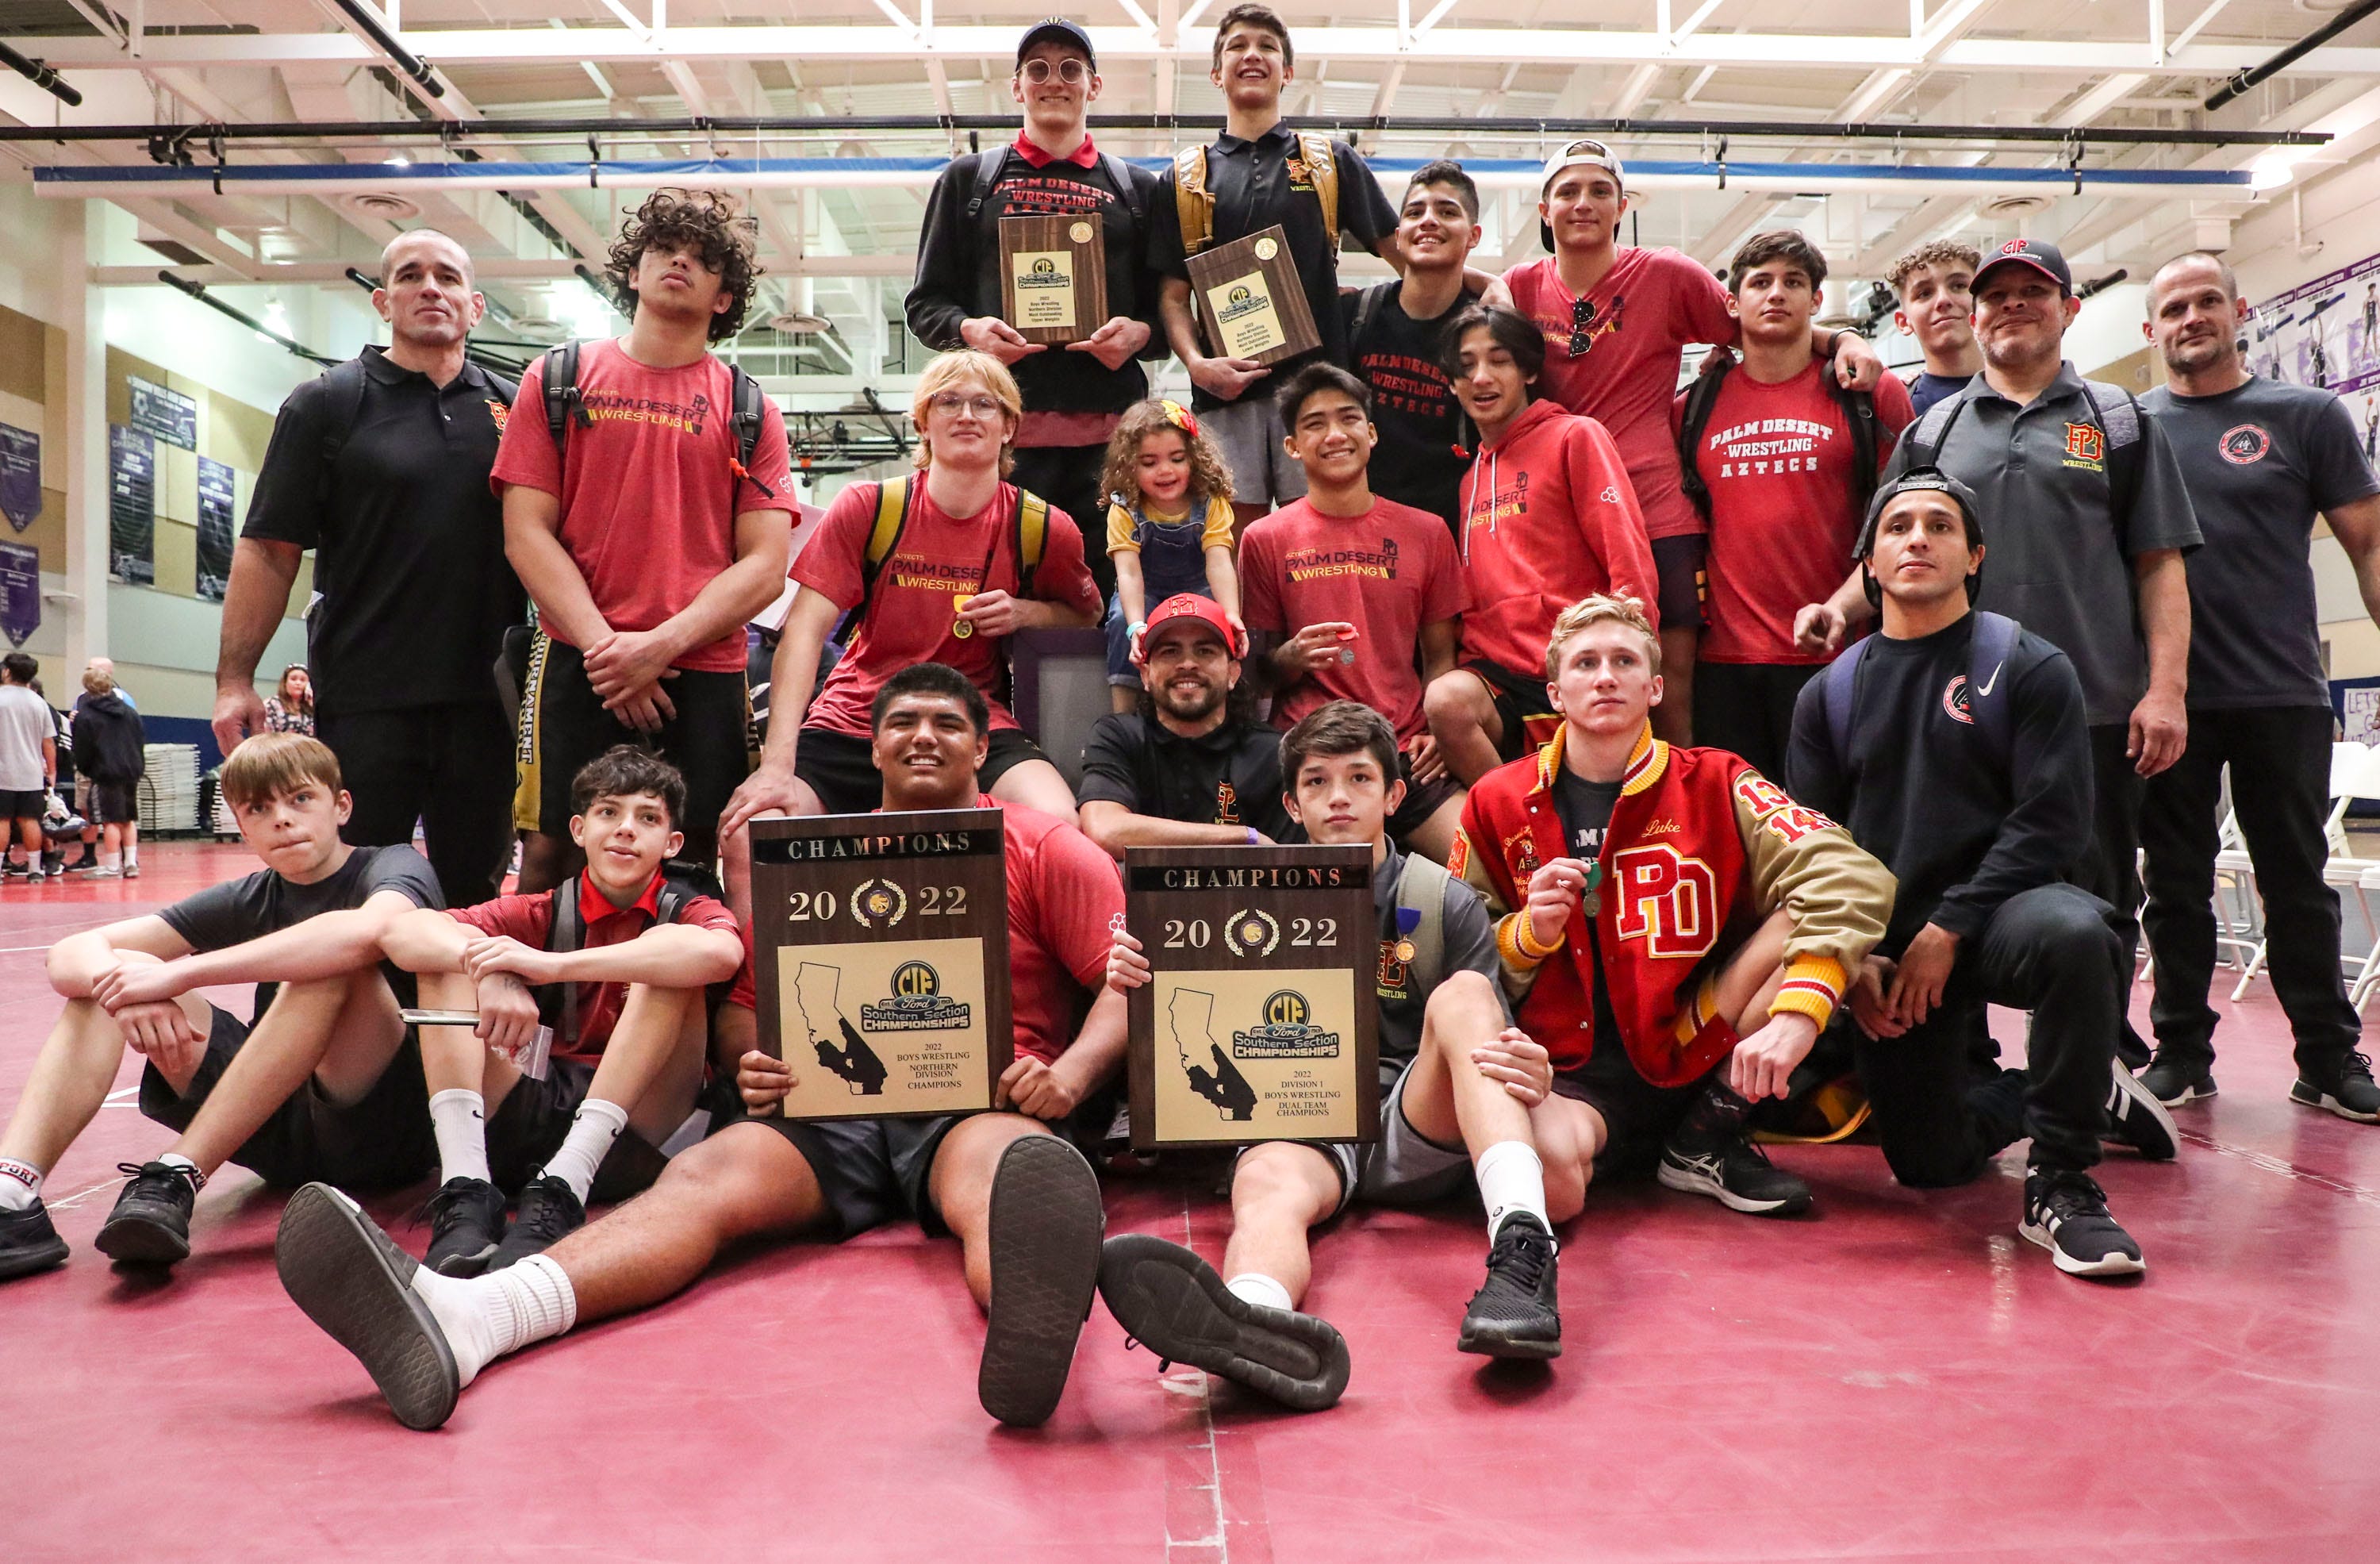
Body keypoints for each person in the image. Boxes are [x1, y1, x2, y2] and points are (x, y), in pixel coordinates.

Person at [274, 664, 1128, 1432]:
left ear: (986, 744)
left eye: (947, 723)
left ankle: (1028, 1317)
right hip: (828, 1102)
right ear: (872, 747)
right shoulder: (818, 859)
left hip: (978, 1097)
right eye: (903, 722)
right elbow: (749, 1005)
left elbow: (1131, 979)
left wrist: (1074, 1072)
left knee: (1010, 1187)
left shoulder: (1043, 843)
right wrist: (751, 1057)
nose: (924, 737)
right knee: (703, 1183)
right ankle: (478, 1320)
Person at [1434, 594, 1894, 1353]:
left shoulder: (1717, 779)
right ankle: (1598, 1184)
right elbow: (1462, 956)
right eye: (1585, 663)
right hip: (1570, 1075)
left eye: (1625, 662)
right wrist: (1528, 933)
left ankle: (1708, 1133)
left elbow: (1853, 874)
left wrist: (1799, 1013)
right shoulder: (1496, 799)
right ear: (1554, 694)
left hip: (1696, 1037)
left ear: (1655, 685)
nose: (1605, 677)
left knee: (1802, 911)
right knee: (1554, 1189)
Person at [1799, 238, 2201, 1066]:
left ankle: (2100, 1074)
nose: (2013, 305)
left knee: (2095, 906)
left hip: (2089, 706)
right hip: (1953, 717)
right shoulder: (1934, 426)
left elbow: (2158, 565)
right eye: (1998, 295)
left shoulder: (2118, 421)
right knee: (1945, 891)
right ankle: (1965, 1062)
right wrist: (1837, 612)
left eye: (2033, 291)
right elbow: (1888, 545)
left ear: (2069, 310)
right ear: (1975, 317)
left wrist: (2166, 690)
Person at [1786, 472, 2178, 1278]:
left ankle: (2064, 1181)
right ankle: (2076, 1086)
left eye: (1939, 526)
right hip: (1894, 949)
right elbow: (1811, 846)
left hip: (2002, 917)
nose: (1918, 538)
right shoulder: (1829, 693)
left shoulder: (2028, 666)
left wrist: (1950, 926)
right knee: (1932, 1164)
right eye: (1897, 527)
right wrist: (1850, 959)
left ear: (1975, 556)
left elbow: (2053, 822)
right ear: (1869, 562)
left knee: (2076, 933)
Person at [1097, 701, 1527, 1405]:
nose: (1338, 797)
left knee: (1466, 999)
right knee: (1265, 1183)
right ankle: (1248, 1320)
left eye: (1360, 778)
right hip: (1302, 1109)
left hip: (1414, 1114)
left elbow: (1490, 1044)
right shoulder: (1231, 900)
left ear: (1393, 794)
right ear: (1291, 804)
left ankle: (1521, 1243)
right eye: (1317, 781)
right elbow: (1189, 1037)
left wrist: (1524, 1064)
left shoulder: (1442, 898)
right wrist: (1140, 981)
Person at [0, 735, 442, 1282]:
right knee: (108, 981)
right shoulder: (253, 894)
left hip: (380, 1128)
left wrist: (177, 973)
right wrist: (131, 985)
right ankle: (12, 1192)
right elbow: (68, 954)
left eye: (300, 799)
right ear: (240, 823)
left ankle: (180, 1170)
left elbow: (369, 931)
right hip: (270, 1124)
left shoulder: (393, 865)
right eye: (259, 808)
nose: (282, 819)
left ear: (341, 806)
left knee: (333, 963)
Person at [1488, 139, 1885, 740]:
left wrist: (1843, 341)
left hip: (1656, 510)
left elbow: (1762, 321)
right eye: (1567, 192)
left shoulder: (1665, 275)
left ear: (1622, 205)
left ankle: (1679, 816)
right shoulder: (1518, 287)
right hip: (1562, 518)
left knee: (1667, 689)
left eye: (1599, 191)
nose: (1583, 203)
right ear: (1544, 211)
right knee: (1576, 684)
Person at [2136, 252, 2380, 1123]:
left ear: (2239, 312)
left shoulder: (2305, 414)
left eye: (2207, 302)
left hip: (2283, 691)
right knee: (2174, 881)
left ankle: (2326, 1055)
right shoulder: (2128, 426)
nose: (2192, 318)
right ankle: (2181, 1053)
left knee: (2298, 879)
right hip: (2171, 698)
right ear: (2150, 330)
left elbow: (2367, 545)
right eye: (2174, 307)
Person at [497, 190, 796, 890]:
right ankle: (545, 999)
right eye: (665, 250)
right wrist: (611, 651)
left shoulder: (750, 408)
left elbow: (765, 568)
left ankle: (691, 997)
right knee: (549, 855)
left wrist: (657, 648)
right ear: (633, 272)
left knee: (694, 861)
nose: (680, 263)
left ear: (724, 297)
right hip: (579, 658)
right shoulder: (558, 378)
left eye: (702, 259)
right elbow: (525, 534)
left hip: (705, 669)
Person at [220, 229, 524, 908]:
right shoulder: (326, 402)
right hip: (366, 696)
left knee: (475, 891)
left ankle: (453, 1014)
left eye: (447, 277)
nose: (430, 287)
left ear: (475, 307)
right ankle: (355, 1016)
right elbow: (269, 548)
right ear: (385, 302)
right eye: (412, 276)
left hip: (486, 703)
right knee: (354, 886)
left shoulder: (516, 410)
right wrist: (234, 679)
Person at [720, 351, 1102, 859]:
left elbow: (1086, 615)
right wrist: (775, 766)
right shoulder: (869, 506)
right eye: (949, 402)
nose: (966, 415)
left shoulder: (1043, 527)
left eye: (985, 404)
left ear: (1010, 426)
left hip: (969, 720)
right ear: (922, 422)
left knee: (1056, 825)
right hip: (855, 718)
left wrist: (1025, 611)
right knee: (750, 839)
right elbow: (805, 633)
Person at [382, 746, 745, 1277]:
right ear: (578, 829)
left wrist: (547, 965)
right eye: (608, 812)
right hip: (543, 1098)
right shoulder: (546, 907)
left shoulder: (691, 908)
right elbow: (402, 931)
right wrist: (499, 972)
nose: (625, 829)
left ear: (672, 843)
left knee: (670, 954)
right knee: (450, 954)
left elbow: (721, 953)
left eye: (646, 818)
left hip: (644, 1125)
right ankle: (466, 1191)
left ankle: (565, 1187)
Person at [904, 16, 1165, 596]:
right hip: (1002, 446)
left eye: (1071, 69)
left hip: (1112, 443)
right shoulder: (971, 181)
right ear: (1017, 86)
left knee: (1109, 601)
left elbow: (1170, 311)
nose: (1055, 81)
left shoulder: (1139, 190)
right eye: (1038, 69)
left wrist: (1141, 334)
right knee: (996, 599)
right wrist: (970, 330)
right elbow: (924, 305)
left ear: (1092, 86)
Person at [1147, 5, 1415, 526]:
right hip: (1225, 395)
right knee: (1235, 543)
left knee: (1323, 536)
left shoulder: (1330, 162)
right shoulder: (1181, 180)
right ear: (1216, 73)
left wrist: (1478, 286)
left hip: (1320, 393)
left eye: (1267, 46)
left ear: (1287, 72)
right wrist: (1198, 365)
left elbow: (1403, 253)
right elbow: (1173, 297)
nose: (1252, 54)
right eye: (1237, 46)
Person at [1679, 232, 1914, 778]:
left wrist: (1842, 607)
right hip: (1724, 667)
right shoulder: (1693, 408)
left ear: (1816, 300)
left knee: (1833, 838)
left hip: (1838, 654)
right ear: (1733, 303)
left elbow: (1899, 530)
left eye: (1794, 282)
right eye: (1760, 282)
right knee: (1743, 843)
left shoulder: (1870, 395)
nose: (1777, 294)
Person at [1240, 363, 1467, 863]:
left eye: (1348, 418)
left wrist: (1434, 730)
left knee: (1483, 873)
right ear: (1293, 446)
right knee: (1310, 897)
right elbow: (1256, 673)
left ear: (1372, 433)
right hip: (1308, 756)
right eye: (1315, 423)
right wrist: (1292, 657)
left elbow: (1440, 657)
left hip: (1405, 751)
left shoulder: (1427, 531)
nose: (1335, 434)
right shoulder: (1265, 538)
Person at [1423, 306, 1658, 783]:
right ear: (1451, 384)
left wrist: (1633, 656)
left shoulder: (1576, 436)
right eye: (1465, 367)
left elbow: (1627, 557)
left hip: (1577, 665)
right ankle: (1524, 828)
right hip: (1497, 679)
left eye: (1499, 360)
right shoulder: (1470, 479)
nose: (1481, 378)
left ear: (1530, 370)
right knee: (1445, 701)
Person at [1077, 593, 1296, 855]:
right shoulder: (1118, 737)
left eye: (1205, 651)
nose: (1188, 664)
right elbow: (1105, 829)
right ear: (1146, 674)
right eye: (1170, 652)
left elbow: (1289, 868)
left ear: (1233, 673)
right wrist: (1245, 837)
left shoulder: (1272, 752)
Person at [1341, 160, 1487, 533]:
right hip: (1361, 533)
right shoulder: (1354, 315)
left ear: (1473, 235)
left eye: (1447, 211)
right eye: (1415, 212)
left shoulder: (1487, 333)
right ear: (1399, 234)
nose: (1428, 220)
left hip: (1451, 537)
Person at [1098, 398, 1242, 714]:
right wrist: (1136, 625)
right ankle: (1124, 714)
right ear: (1129, 466)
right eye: (1149, 463)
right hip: (1147, 592)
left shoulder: (1210, 502)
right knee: (1121, 621)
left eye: (1176, 459)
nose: (1165, 471)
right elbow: (1129, 573)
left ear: (1194, 459)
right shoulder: (1125, 509)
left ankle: (1225, 709)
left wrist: (1230, 614)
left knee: (1221, 626)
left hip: (1199, 588)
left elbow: (1219, 561)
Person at [1887, 240, 1985, 417]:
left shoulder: (2032, 389)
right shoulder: (1895, 408)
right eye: (1924, 293)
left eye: (1958, 286)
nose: (1943, 300)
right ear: (1903, 321)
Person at [70, 663, 144, 880]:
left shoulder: (86, 716)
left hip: (104, 772)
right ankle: (130, 863)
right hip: (131, 769)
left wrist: (86, 768)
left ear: (88, 689)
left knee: (110, 820)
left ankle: (112, 866)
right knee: (128, 818)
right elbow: (139, 740)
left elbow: (82, 748)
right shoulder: (129, 712)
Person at [0, 652, 53, 883]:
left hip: (2, 772)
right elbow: (48, 742)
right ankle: (34, 870)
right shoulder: (38, 702)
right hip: (31, 773)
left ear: (7, 672)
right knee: (30, 820)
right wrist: (51, 771)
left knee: (1, 820)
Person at [263, 664, 315, 736]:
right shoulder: (271, 704)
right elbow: (266, 735)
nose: (298, 683)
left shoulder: (311, 706)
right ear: (285, 683)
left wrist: (312, 704)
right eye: (293, 679)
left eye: (302, 680)